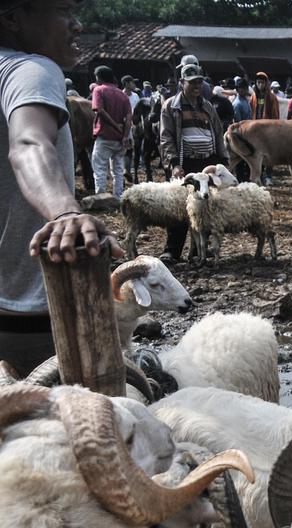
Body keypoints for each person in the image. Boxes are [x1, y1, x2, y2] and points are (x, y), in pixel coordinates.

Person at [3, 0, 124, 374]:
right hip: (38, 318)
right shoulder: (32, 70)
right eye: (62, 11)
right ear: (12, 18)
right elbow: (28, 145)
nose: (76, 24)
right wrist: (66, 212)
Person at [158, 62, 227, 262]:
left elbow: (217, 132)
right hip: (184, 163)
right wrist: (173, 163)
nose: (197, 87)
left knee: (204, 208)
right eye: (192, 83)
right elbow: (166, 137)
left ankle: (199, 250)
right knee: (180, 207)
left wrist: (222, 160)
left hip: (205, 163)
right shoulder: (172, 106)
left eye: (199, 82)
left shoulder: (207, 107)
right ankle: (172, 250)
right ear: (182, 83)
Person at [90, 65, 131, 198]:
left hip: (104, 135)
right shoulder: (122, 95)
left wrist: (114, 125)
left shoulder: (98, 90)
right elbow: (129, 117)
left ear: (99, 77)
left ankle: (100, 196)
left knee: (100, 168)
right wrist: (125, 135)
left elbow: (99, 110)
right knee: (118, 169)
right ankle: (118, 196)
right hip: (119, 138)